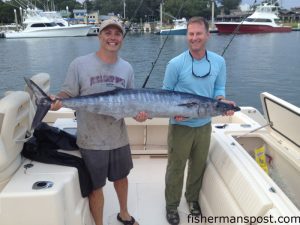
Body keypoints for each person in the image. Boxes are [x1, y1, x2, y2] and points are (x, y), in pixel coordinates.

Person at [51, 19, 148, 225]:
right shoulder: (79, 64)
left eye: (117, 34)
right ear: (99, 35)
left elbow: (131, 102)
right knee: (96, 186)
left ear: (122, 38)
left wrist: (139, 115)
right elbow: (67, 92)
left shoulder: (127, 68)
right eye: (108, 33)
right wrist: (58, 100)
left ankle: (124, 214)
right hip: (91, 139)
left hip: (118, 137)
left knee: (122, 178)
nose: (112, 38)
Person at [162, 17, 236, 225]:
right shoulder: (175, 64)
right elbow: (166, 94)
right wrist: (174, 114)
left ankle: (192, 200)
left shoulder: (219, 62)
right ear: (187, 36)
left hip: (204, 125)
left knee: (198, 166)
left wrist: (222, 103)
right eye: (190, 34)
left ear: (207, 35)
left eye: (198, 33)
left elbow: (218, 91)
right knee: (176, 168)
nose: (194, 38)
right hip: (180, 126)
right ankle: (171, 206)